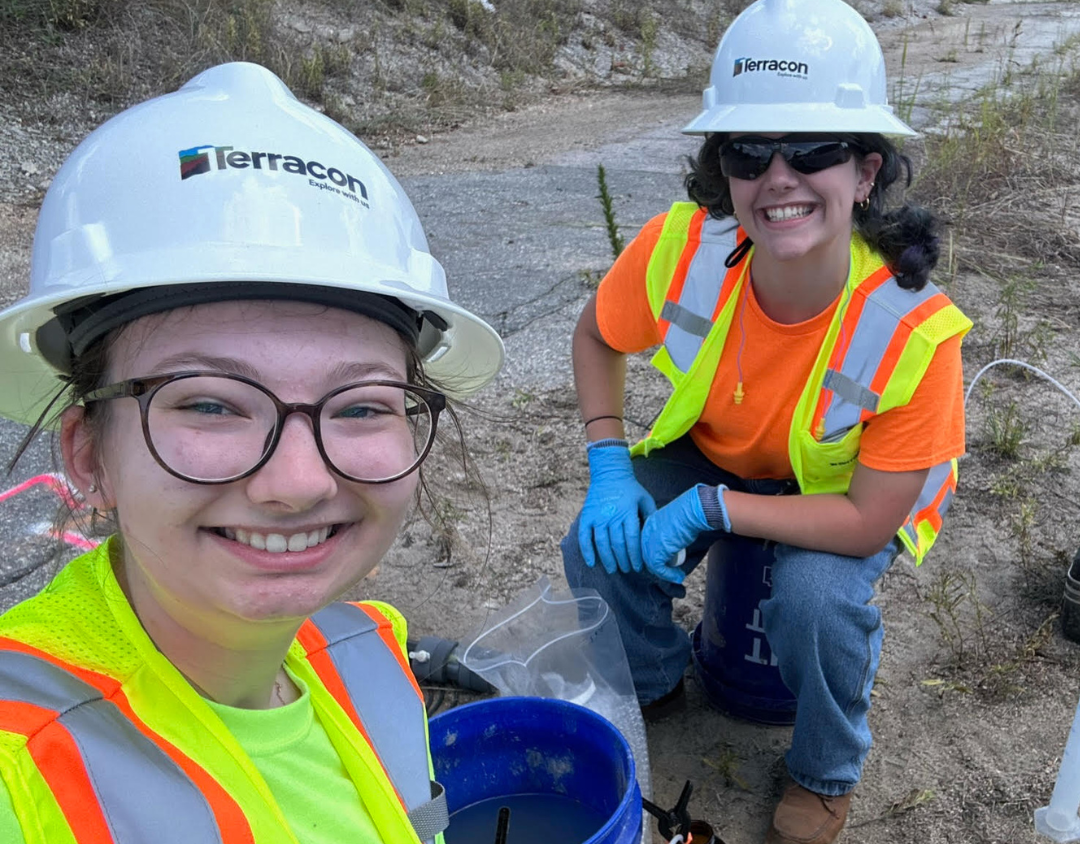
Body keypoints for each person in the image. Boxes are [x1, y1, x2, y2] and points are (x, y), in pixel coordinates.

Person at [0, 61, 503, 843]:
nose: (298, 482)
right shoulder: (19, 763)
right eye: (209, 403)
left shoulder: (368, 655)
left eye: (362, 404)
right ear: (89, 456)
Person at [562, 1, 971, 842]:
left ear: (865, 173)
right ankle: (655, 680)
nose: (778, 177)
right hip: (721, 456)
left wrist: (716, 510)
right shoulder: (685, 248)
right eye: (749, 152)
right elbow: (597, 334)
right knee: (594, 543)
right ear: (725, 172)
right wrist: (609, 461)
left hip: (853, 499)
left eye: (813, 149)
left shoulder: (911, 331)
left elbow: (862, 523)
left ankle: (824, 773)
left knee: (816, 602)